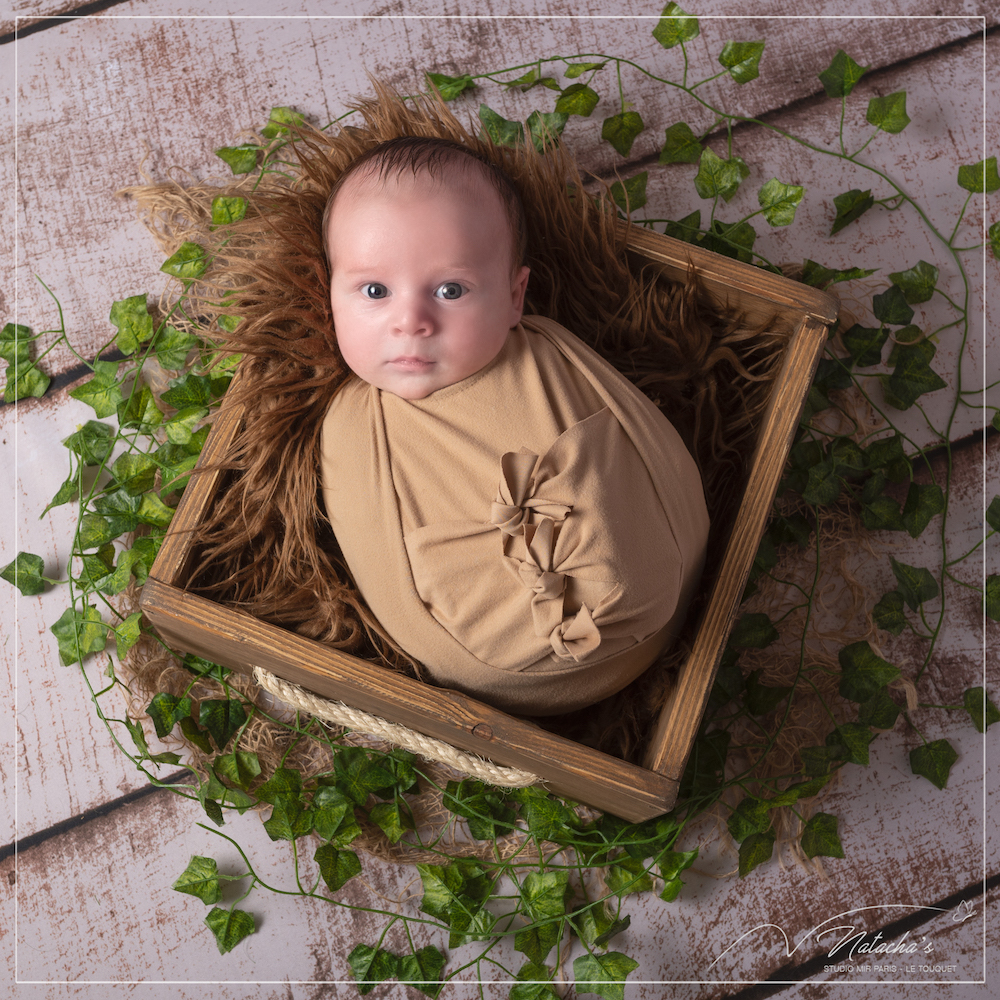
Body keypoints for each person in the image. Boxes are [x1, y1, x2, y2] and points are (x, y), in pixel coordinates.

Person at [319, 135, 710, 716]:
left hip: (672, 600)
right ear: (329, 293)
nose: (411, 321)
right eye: (374, 290)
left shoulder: (547, 352)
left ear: (514, 295)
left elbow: (641, 439)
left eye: (451, 290)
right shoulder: (356, 423)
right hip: (495, 679)